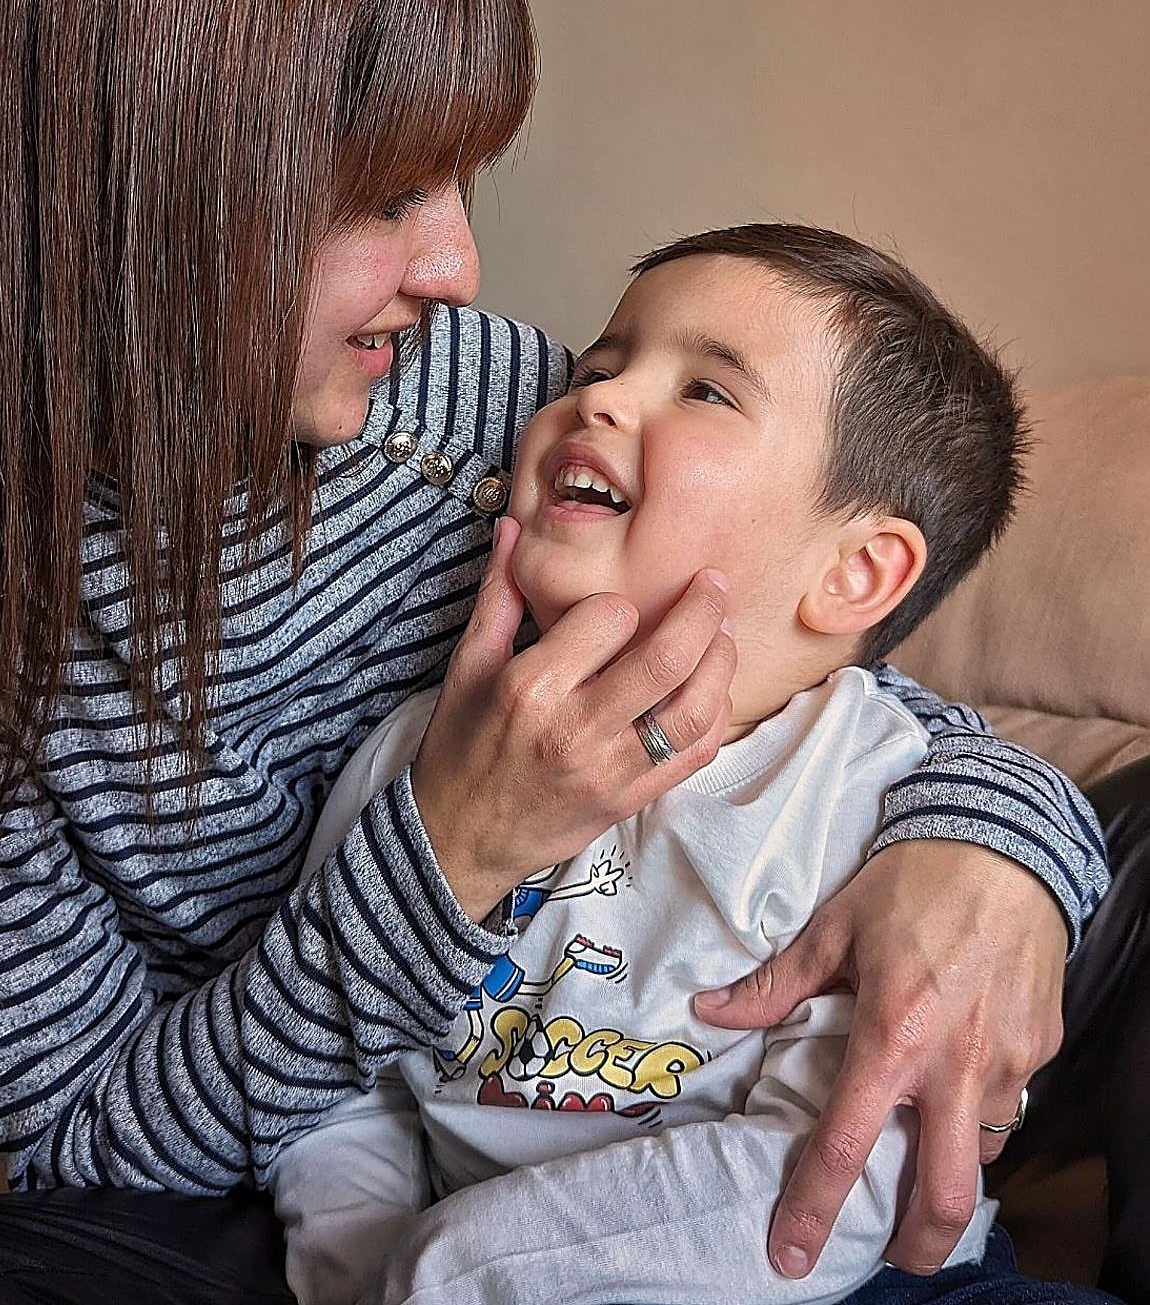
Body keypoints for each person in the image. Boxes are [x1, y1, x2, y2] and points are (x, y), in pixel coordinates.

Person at [0, 0, 1110, 1302]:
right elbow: (96, 1148)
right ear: (106, 184)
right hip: (311, 1159)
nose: (456, 276)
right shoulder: (34, 660)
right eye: (383, 193)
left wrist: (993, 849)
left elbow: (797, 650)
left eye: (458, 184)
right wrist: (449, 852)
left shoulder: (470, 396)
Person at [268, 224, 1120, 1305]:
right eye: (601, 365)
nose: (600, 400)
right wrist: (363, 1264)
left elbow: (833, 1185)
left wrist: (453, 1269)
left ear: (857, 571)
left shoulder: (879, 802)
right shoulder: (415, 749)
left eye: (706, 391)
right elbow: (340, 1085)